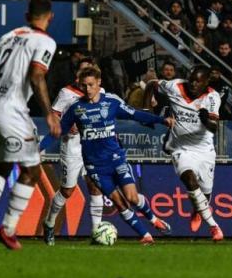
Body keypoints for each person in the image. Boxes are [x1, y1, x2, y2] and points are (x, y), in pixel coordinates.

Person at [43, 66, 174, 245]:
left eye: (90, 85)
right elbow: (56, 132)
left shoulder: (111, 102)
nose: (87, 89)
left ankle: (153, 220)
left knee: (132, 197)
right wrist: (37, 149)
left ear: (99, 83)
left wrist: (161, 120)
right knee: (116, 201)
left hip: (115, 158)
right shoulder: (76, 108)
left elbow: (135, 114)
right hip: (94, 165)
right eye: (84, 86)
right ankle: (145, 235)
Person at [0, 0, 61, 250]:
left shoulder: (7, 36)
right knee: (32, 170)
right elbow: (36, 75)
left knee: (3, 166)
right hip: (11, 111)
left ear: (26, 16)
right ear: (50, 17)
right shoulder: (45, 40)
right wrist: (49, 113)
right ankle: (8, 229)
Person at [142, 65, 224, 241]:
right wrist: (147, 109)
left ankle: (198, 211)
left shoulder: (212, 97)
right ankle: (214, 227)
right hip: (180, 147)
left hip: (204, 149)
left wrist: (205, 120)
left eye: (198, 81)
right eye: (191, 79)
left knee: (206, 194)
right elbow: (151, 84)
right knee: (189, 178)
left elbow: (214, 127)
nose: (193, 84)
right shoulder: (174, 87)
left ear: (206, 82)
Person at [42, 58, 107, 244]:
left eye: (89, 70)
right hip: (72, 147)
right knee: (67, 190)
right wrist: (65, 124)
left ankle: (97, 233)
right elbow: (54, 115)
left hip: (93, 146)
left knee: (95, 186)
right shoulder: (66, 93)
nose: (85, 74)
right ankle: (49, 223)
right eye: (82, 70)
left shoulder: (99, 91)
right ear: (77, 74)